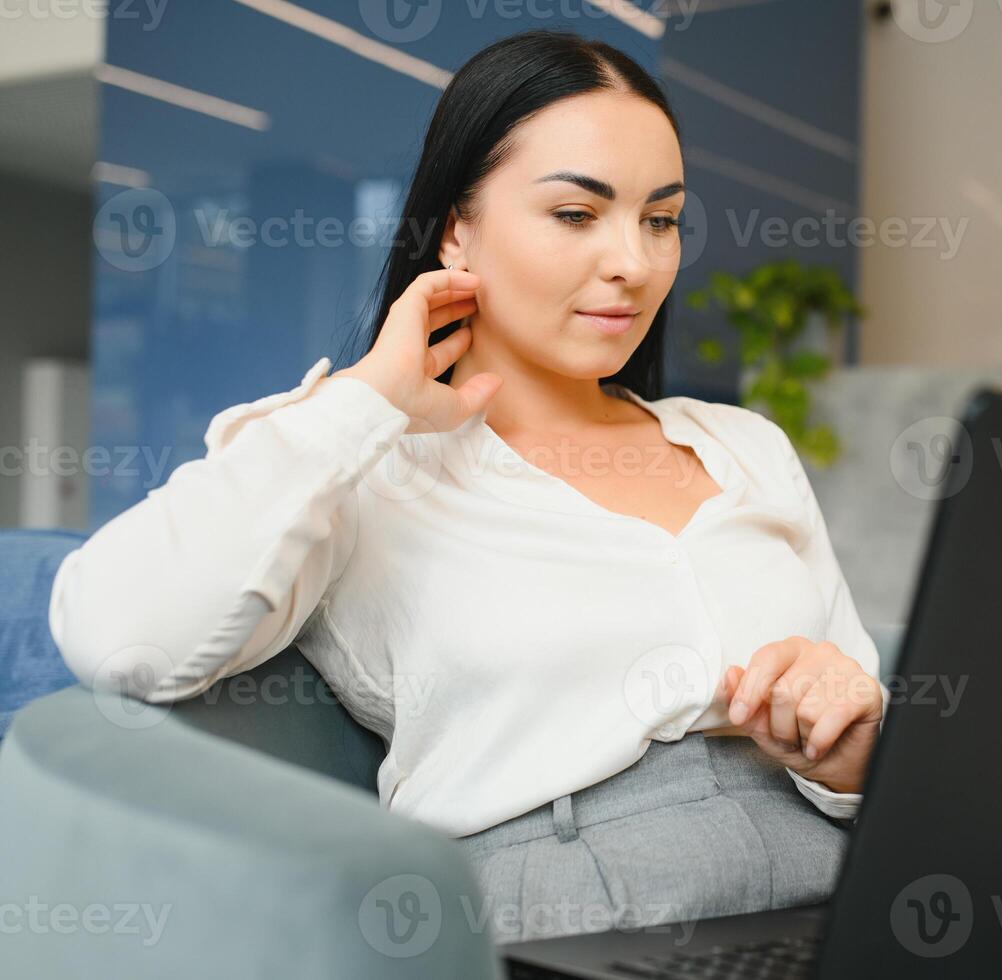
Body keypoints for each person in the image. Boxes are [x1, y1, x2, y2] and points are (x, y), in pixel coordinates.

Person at [50, 28, 888, 947]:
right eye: (576, 215)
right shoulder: (360, 465)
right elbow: (119, 636)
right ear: (457, 227)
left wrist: (848, 760)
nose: (636, 264)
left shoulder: (746, 444)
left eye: (660, 219)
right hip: (573, 910)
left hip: (832, 888)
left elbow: (869, 739)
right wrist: (364, 401)